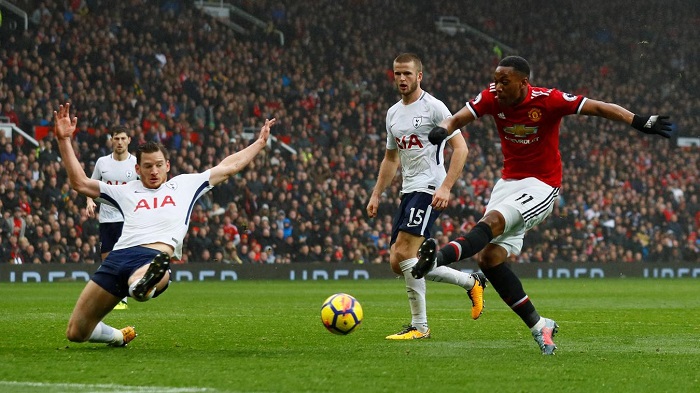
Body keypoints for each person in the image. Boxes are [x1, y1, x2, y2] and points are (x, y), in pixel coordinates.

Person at [411, 56, 672, 354]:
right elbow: (457, 118)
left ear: (524, 82)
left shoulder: (548, 100)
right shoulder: (491, 97)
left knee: (493, 222)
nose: (497, 86)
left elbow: (598, 107)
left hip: (542, 185)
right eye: (495, 79)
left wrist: (638, 121)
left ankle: (436, 259)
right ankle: (540, 326)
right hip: (507, 183)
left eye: (504, 81)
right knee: (489, 259)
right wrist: (443, 130)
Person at [54, 102, 275, 347]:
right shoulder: (125, 191)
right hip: (117, 258)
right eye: (147, 166)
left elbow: (228, 166)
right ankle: (119, 335)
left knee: (144, 276)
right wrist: (64, 140)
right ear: (137, 169)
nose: (154, 171)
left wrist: (259, 144)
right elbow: (80, 183)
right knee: (76, 332)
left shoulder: (185, 185)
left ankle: (142, 284)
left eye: (159, 165)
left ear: (167, 166)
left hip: (152, 255)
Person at [366, 53, 487, 340]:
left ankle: (419, 327)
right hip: (407, 190)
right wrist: (376, 194)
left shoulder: (434, 107)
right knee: (399, 261)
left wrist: (445, 186)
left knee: (406, 253)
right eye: (397, 74)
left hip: (429, 187)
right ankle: (470, 281)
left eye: (407, 73)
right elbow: (391, 158)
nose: (402, 79)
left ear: (419, 76)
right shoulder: (393, 113)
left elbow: (461, 148)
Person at [86, 125, 138, 310]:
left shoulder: (136, 163)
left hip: (128, 218)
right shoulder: (102, 163)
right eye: (116, 139)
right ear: (111, 140)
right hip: (107, 219)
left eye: (123, 138)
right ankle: (113, 294)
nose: (120, 142)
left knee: (126, 257)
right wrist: (89, 201)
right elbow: (90, 185)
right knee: (108, 260)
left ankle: (123, 296)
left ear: (129, 140)